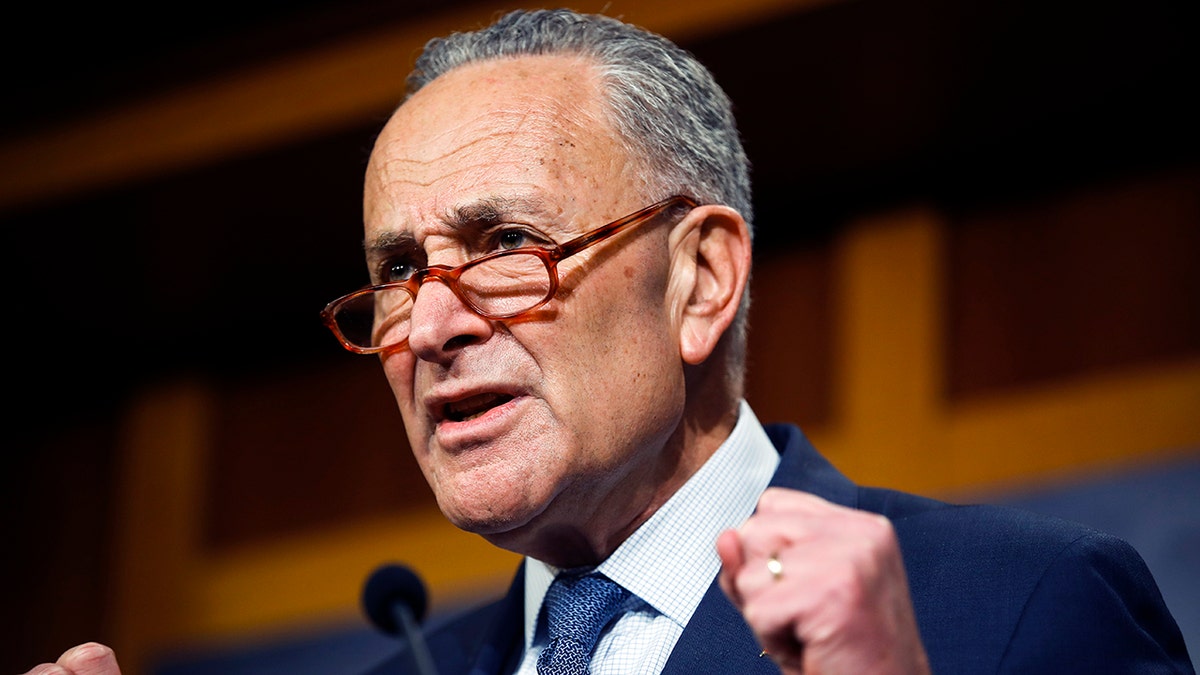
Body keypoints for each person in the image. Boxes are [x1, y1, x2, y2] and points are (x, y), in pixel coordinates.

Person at [25, 8, 1193, 675]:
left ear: (701, 280)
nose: (430, 325)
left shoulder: (1022, 611)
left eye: (506, 242)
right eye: (395, 272)